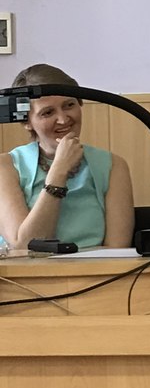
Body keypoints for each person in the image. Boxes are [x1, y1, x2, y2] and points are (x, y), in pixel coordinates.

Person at [0, 63, 134, 250]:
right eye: (48, 112)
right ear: (27, 122)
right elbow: (24, 246)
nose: (63, 119)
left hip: (96, 268)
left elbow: (117, 250)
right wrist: (59, 172)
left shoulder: (112, 165)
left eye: (69, 105)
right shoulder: (6, 167)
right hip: (28, 270)